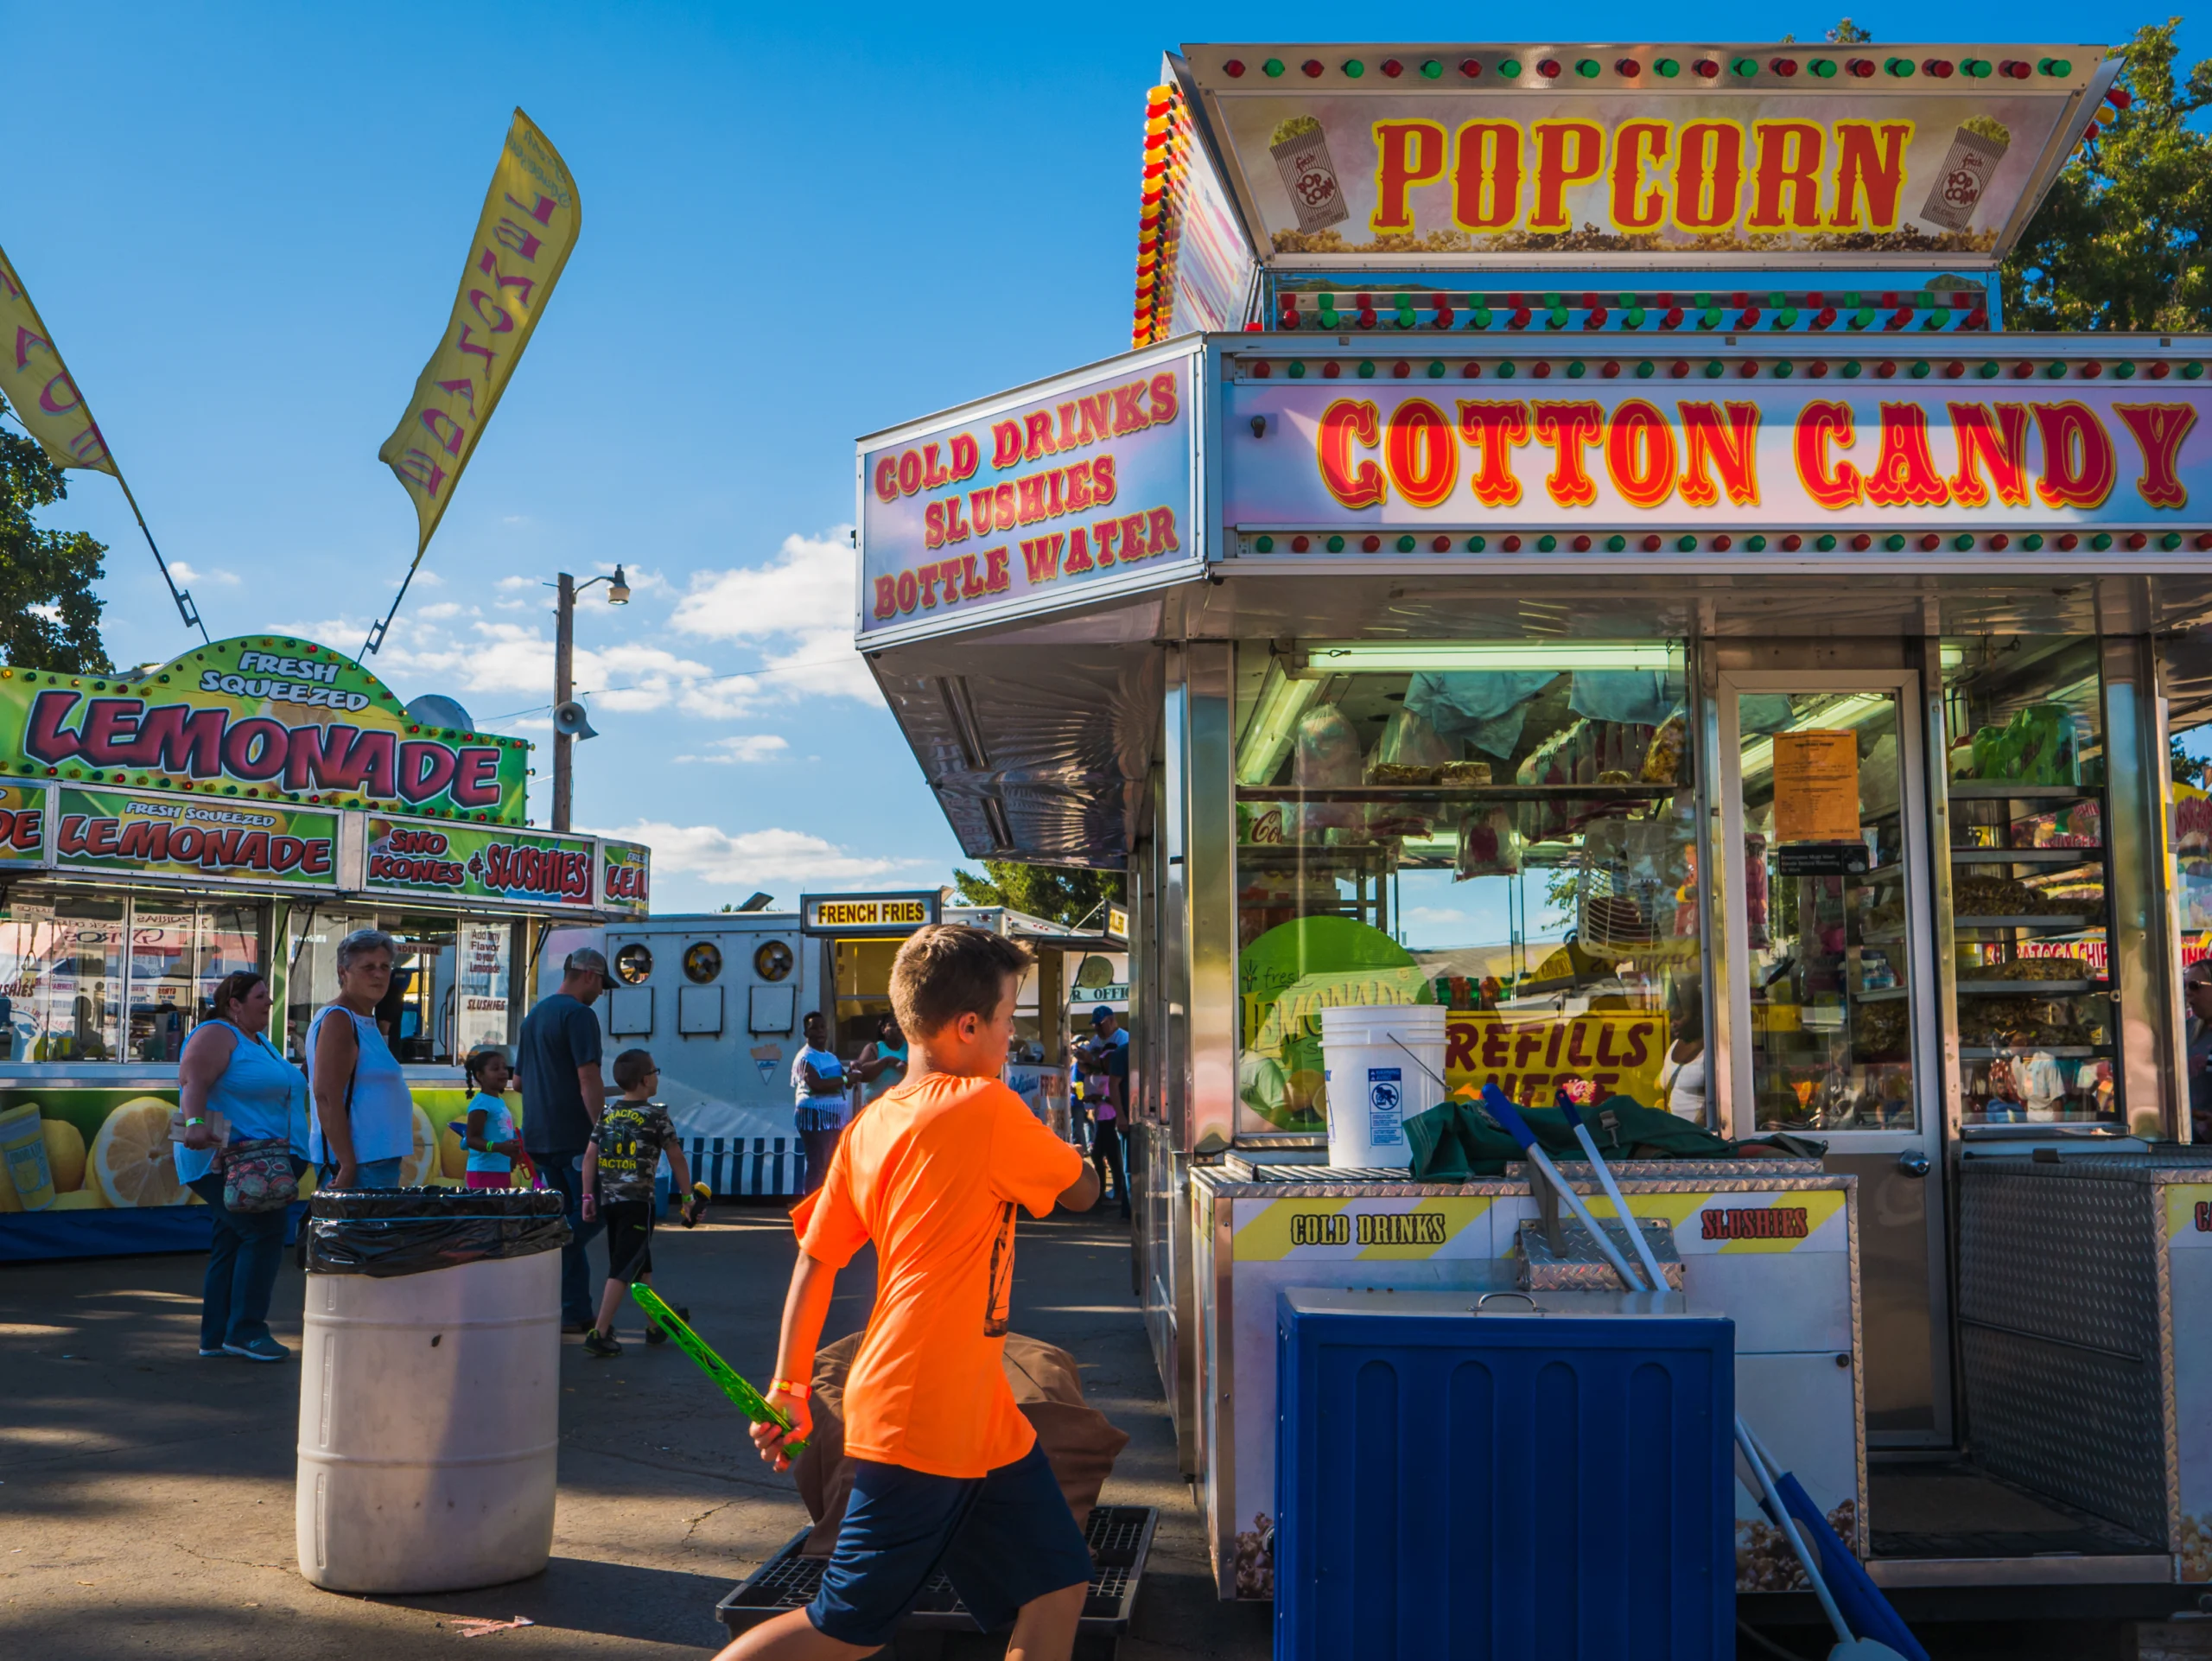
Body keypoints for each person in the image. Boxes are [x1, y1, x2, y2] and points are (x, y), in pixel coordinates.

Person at [723, 925, 1100, 1661]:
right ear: (967, 1027)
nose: (1009, 1040)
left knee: (1058, 1584)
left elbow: (815, 1261)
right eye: (1007, 1020)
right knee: (843, 1628)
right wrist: (1077, 1153)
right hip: (925, 1410)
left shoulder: (872, 1124)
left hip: (974, 1409)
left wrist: (789, 1387)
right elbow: (1082, 1191)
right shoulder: (986, 1108)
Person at [175, 971, 309, 1362]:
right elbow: (193, 1080)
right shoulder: (217, 1033)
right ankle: (247, 1330)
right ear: (234, 1003)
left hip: (262, 1163)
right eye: (261, 996)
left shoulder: (260, 1042)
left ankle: (216, 1336)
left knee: (232, 1240)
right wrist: (196, 1125)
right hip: (228, 1162)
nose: (270, 1002)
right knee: (264, 1234)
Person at [520, 946, 613, 1335]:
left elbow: (519, 1082)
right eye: (602, 985)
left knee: (566, 1212)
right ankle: (551, 1248)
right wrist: (601, 1131)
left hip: (540, 1136)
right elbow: (588, 1077)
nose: (601, 994)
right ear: (588, 975)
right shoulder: (579, 1015)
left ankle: (575, 1312)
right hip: (576, 1136)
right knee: (600, 1209)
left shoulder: (534, 1016)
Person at [580, 1048, 692, 1359]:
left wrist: (588, 1196)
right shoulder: (656, 1115)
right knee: (623, 1267)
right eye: (656, 1072)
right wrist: (687, 1197)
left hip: (611, 1202)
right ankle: (599, 1333)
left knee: (641, 1264)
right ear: (646, 1080)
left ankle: (654, 1325)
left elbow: (590, 1157)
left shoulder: (608, 1113)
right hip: (638, 1201)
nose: (657, 1077)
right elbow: (676, 1157)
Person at [308, 928, 415, 1189]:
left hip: (375, 1159)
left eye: (384, 966)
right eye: (368, 967)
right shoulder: (340, 1019)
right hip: (359, 1163)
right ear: (343, 973)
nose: (379, 974)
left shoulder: (363, 1020)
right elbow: (325, 1095)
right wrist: (347, 1164)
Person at [1080, 1007, 1131, 1220]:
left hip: (1113, 1111)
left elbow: (1112, 1075)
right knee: (1104, 1154)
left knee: (1116, 1158)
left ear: (1111, 1021)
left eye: (1100, 1024)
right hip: (1105, 1111)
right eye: (1095, 1025)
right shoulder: (1102, 1043)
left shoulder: (1122, 1043)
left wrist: (1094, 1062)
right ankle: (1104, 1195)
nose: (1097, 1029)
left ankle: (1118, 1198)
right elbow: (1084, 1066)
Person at [791, 1010, 847, 1195]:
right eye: (814, 1028)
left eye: (823, 1027)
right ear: (806, 1033)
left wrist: (854, 1072)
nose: (820, 1031)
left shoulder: (831, 1057)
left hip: (832, 1118)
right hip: (814, 1116)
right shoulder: (805, 1057)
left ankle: (824, 1207)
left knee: (829, 1164)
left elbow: (845, 1078)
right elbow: (817, 1084)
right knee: (818, 1164)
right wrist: (845, 1080)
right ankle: (811, 1210)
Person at [462, 1047, 523, 1191]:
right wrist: (499, 1148)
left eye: (504, 1068)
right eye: (495, 1069)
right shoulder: (481, 1103)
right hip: (483, 1172)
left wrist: (512, 1154)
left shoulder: (499, 1102)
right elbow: (472, 1139)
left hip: (501, 1171)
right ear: (480, 1075)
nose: (503, 1072)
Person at [1658, 993, 1707, 1124]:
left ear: (1697, 1016)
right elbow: (1660, 1083)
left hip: (1698, 1136)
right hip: (1674, 1131)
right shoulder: (1674, 1046)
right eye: (1672, 1017)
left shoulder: (1713, 1051)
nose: (1673, 1023)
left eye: (1679, 1017)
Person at [849, 1014, 908, 1112]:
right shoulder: (874, 1048)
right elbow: (862, 1074)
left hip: (902, 1107)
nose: (898, 1028)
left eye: (900, 1024)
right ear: (883, 1029)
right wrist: (887, 1060)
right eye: (893, 1025)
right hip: (876, 1106)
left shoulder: (910, 1048)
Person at [2186, 960, 2212, 1141]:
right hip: (2192, 1142)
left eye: (2195, 986)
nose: (2188, 992)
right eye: (2186, 986)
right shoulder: (2188, 1030)